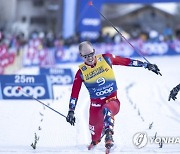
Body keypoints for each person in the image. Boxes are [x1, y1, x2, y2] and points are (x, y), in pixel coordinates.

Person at [66, 41, 161, 150]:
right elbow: (74, 93)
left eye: (91, 54)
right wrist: (71, 111)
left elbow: (126, 61)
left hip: (112, 101)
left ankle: (109, 136)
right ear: (81, 56)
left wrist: (146, 65)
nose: (90, 58)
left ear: (94, 51)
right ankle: (98, 135)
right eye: (86, 56)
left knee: (107, 110)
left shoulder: (106, 59)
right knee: (95, 138)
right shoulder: (81, 73)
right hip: (95, 107)